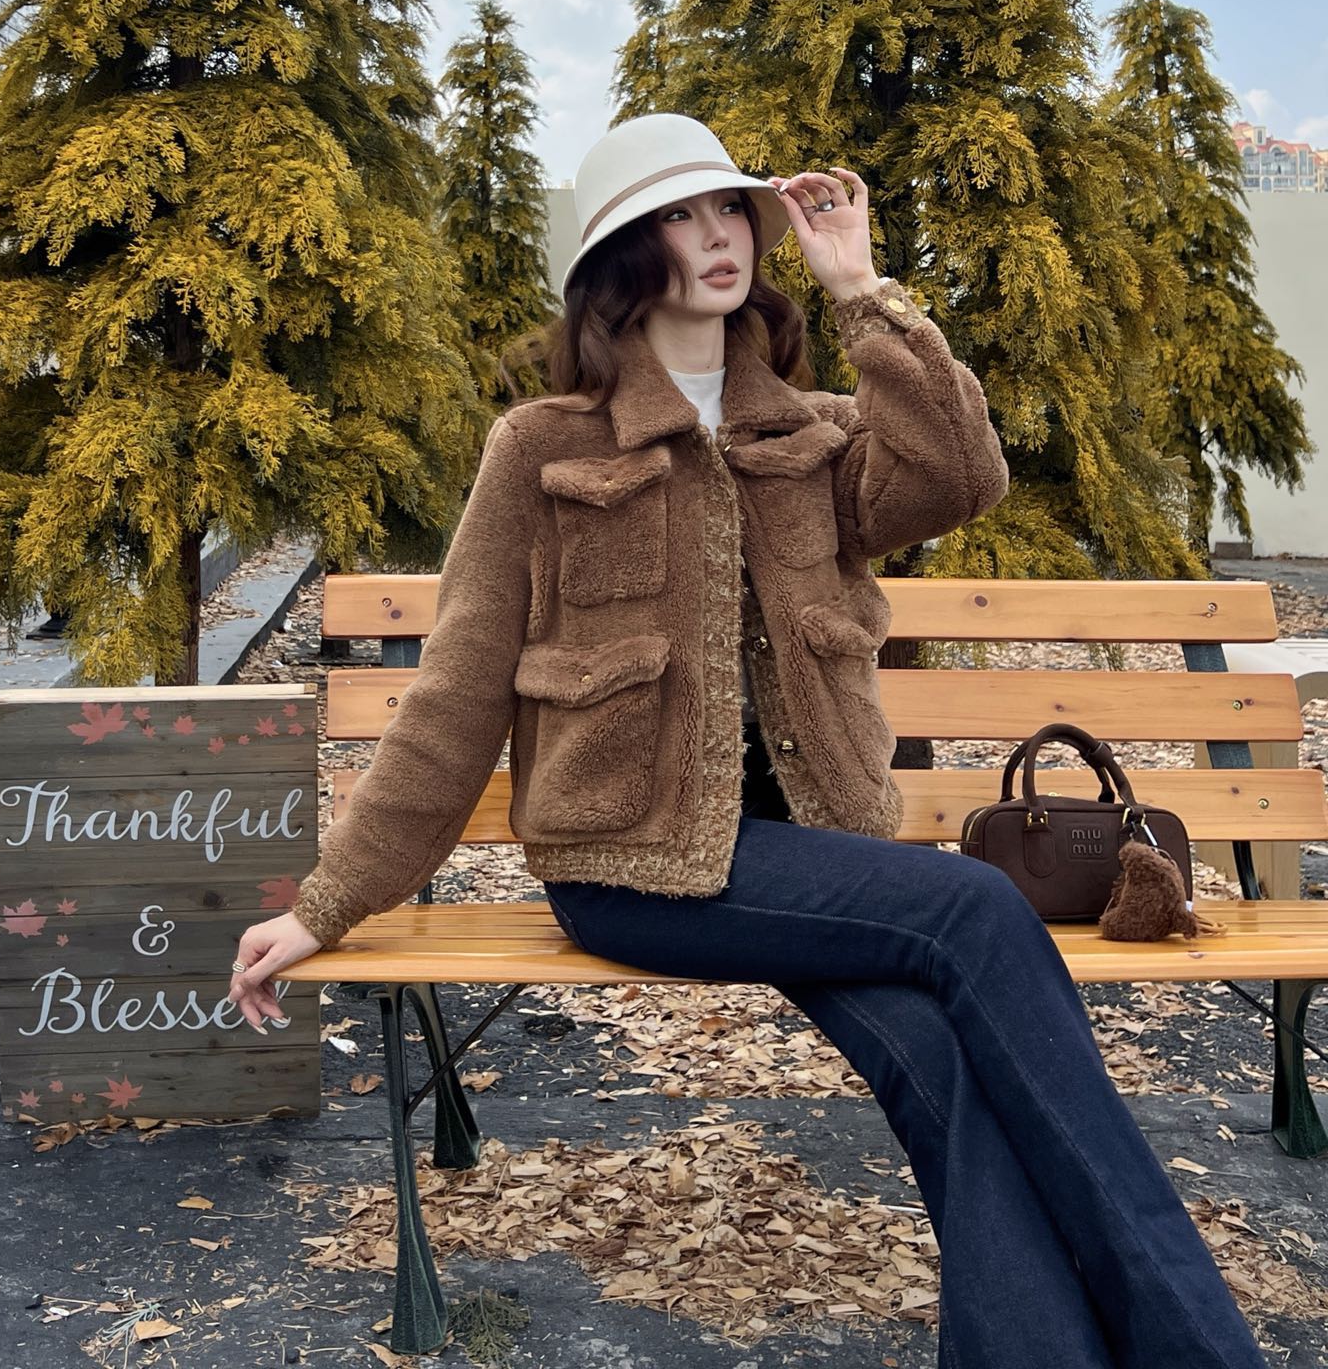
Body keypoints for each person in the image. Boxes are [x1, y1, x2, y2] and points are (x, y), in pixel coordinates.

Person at [229, 112, 1268, 1369]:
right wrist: (330, 901)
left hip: (819, 857)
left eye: (729, 208)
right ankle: (1201, 1347)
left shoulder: (813, 433)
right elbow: (453, 694)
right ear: (625, 254)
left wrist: (863, 292)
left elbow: (959, 477)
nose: (717, 233)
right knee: (977, 911)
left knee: (946, 1066)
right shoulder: (543, 447)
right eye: (679, 215)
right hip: (636, 869)